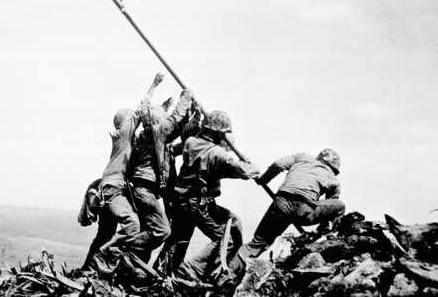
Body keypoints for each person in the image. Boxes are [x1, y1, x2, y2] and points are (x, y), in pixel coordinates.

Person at [155, 110, 260, 281]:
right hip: (198, 203)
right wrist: (247, 163)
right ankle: (191, 271)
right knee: (230, 235)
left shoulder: (191, 142)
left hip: (181, 199)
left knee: (179, 239)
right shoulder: (218, 154)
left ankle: (161, 274)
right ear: (219, 132)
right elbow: (249, 172)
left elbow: (174, 150)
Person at [81, 73, 163, 272]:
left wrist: (164, 109)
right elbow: (141, 109)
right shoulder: (124, 135)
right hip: (113, 189)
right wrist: (154, 84)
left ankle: (87, 268)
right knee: (132, 224)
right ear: (125, 123)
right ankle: (105, 256)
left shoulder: (125, 141)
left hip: (111, 187)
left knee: (105, 233)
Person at [231, 148, 345, 272]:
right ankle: (323, 235)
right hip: (304, 211)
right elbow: (330, 208)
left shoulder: (302, 157)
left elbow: (278, 165)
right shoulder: (334, 180)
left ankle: (227, 271)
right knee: (340, 205)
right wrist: (321, 230)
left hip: (281, 204)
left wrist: (263, 180)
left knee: (257, 243)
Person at [127, 87, 195, 262]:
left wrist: (193, 116)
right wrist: (185, 98)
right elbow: (173, 121)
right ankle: (120, 250)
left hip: (145, 192)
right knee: (161, 231)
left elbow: (177, 128)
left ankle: (135, 268)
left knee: (149, 230)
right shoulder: (157, 134)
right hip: (146, 191)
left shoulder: (150, 138)